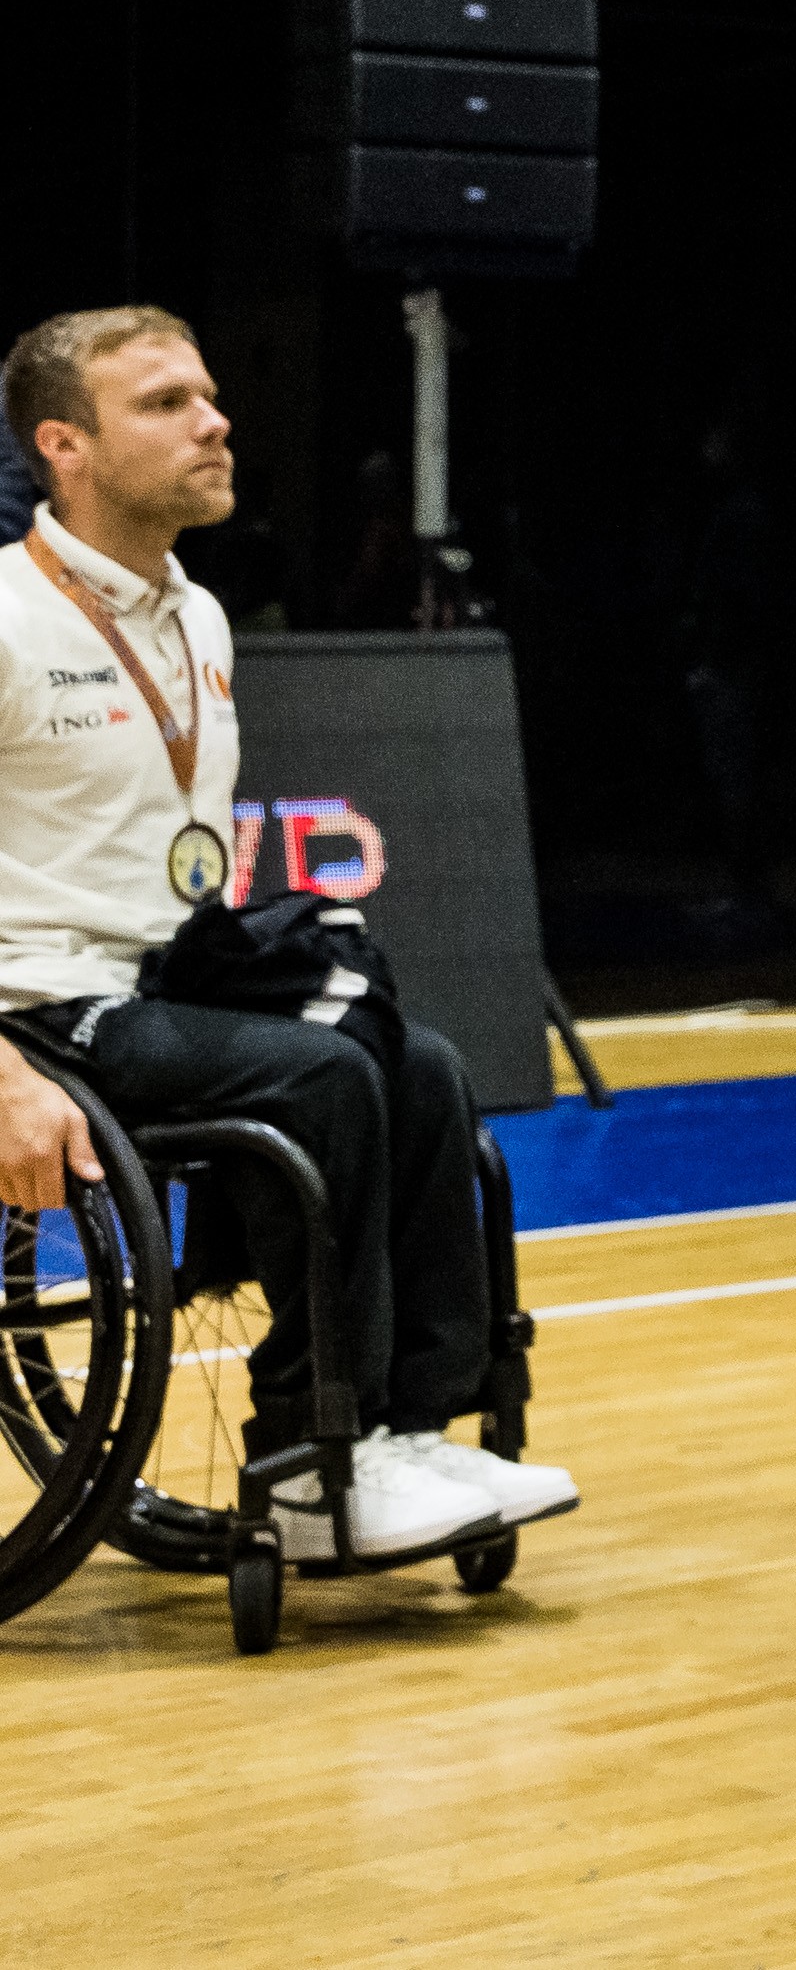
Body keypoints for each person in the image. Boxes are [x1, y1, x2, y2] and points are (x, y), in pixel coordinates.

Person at [0, 306, 578, 1560]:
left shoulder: (199, 616)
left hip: (167, 981)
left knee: (417, 1062)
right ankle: (310, 1460)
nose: (214, 424)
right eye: (165, 404)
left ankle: (409, 1428)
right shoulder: (4, 616)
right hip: (39, 1011)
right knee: (315, 1079)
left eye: (209, 397)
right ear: (65, 445)